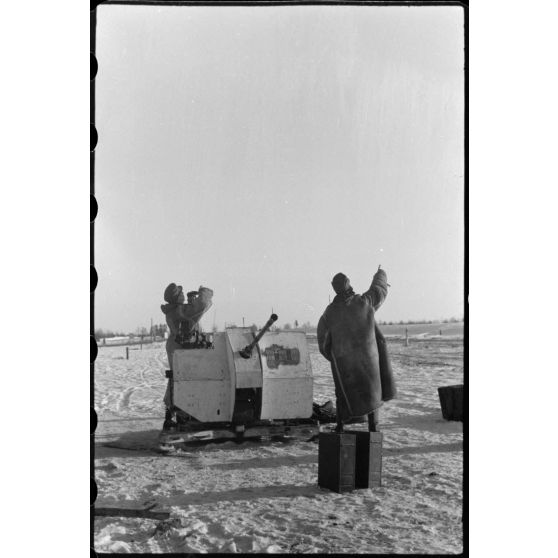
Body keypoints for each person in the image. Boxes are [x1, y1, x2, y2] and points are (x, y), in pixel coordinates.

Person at [317, 267, 396, 432]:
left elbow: (323, 343)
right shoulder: (364, 302)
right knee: (371, 392)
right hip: (369, 363)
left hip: (345, 365)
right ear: (348, 284)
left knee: (343, 394)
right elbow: (379, 291)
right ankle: (373, 427)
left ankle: (340, 426)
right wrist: (380, 274)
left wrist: (336, 357)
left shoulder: (329, 313)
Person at [160, 282, 214, 428]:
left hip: (177, 347)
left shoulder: (175, 310)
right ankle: (181, 414)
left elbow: (194, 315)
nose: (183, 295)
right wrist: (203, 291)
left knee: (177, 379)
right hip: (180, 349)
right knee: (182, 381)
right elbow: (202, 306)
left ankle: (172, 414)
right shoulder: (178, 311)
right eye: (181, 293)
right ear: (176, 297)